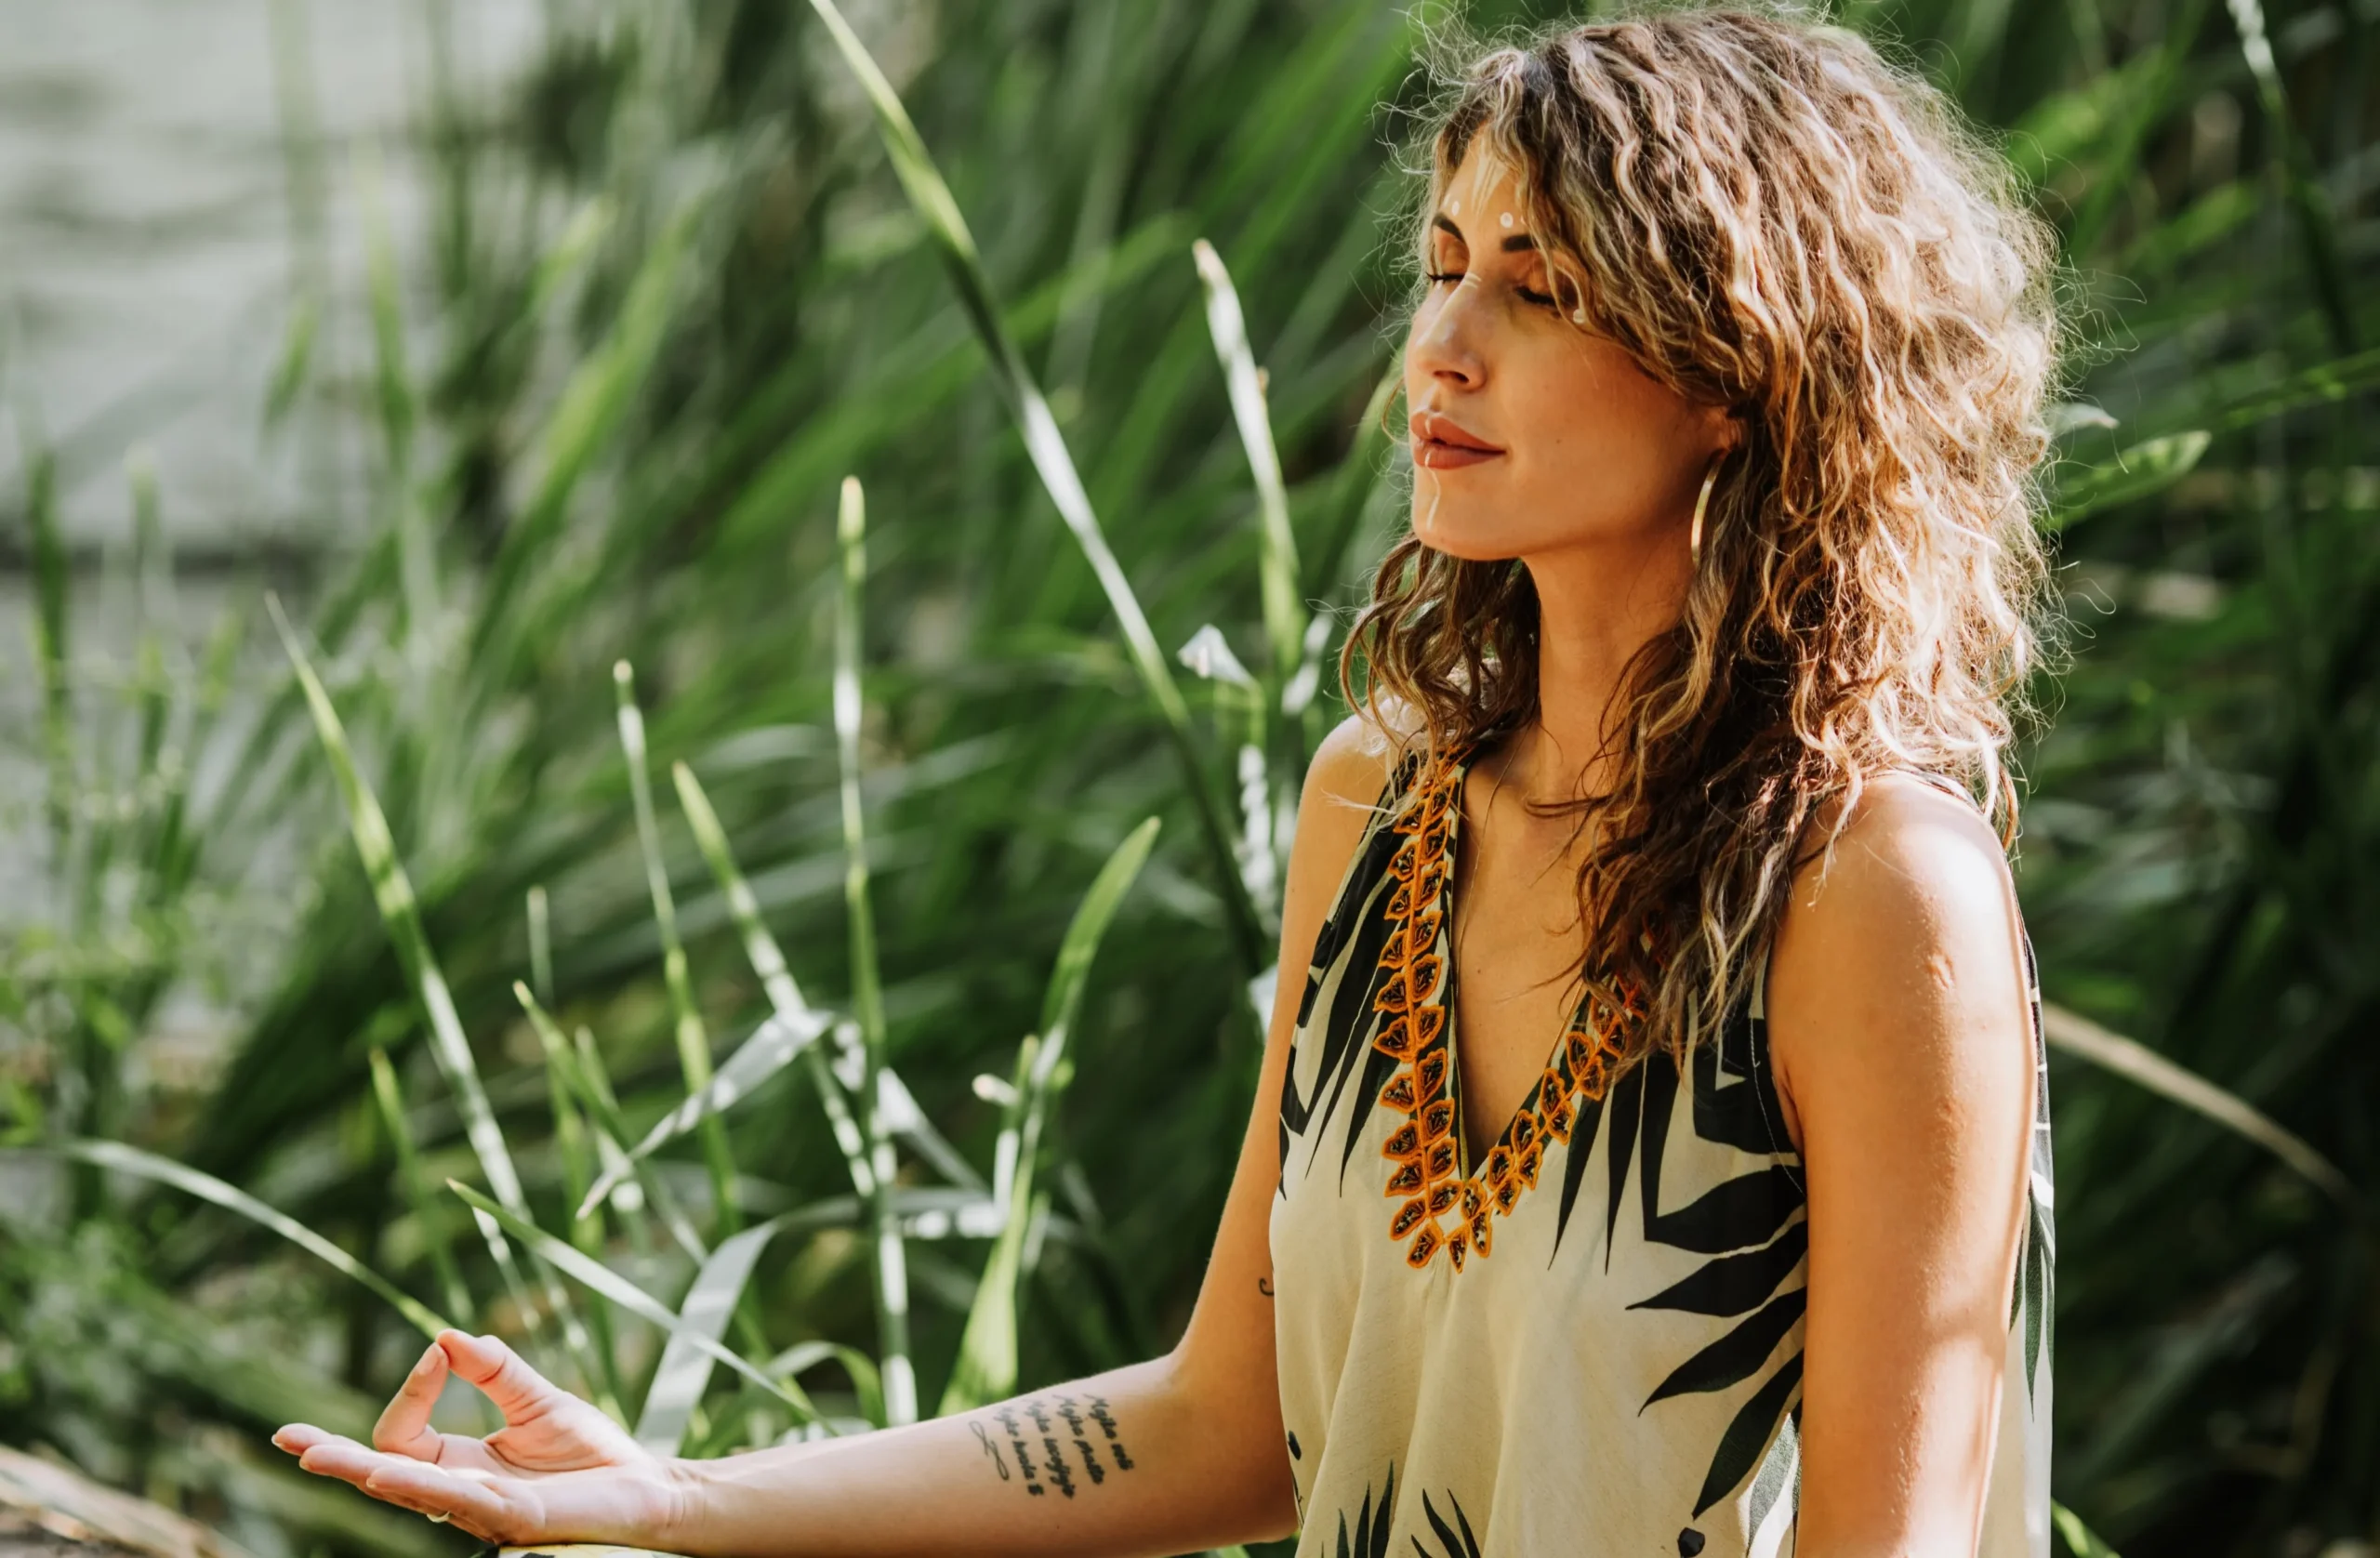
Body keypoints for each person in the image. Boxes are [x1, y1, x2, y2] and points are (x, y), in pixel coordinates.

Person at [272, 6, 2064, 1555]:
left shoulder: (1869, 891)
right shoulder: (1382, 810)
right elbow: (1230, 1420)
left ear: (1740, 372)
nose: (1442, 343)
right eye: (1444, 264)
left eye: (1543, 291)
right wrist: (675, 1497)